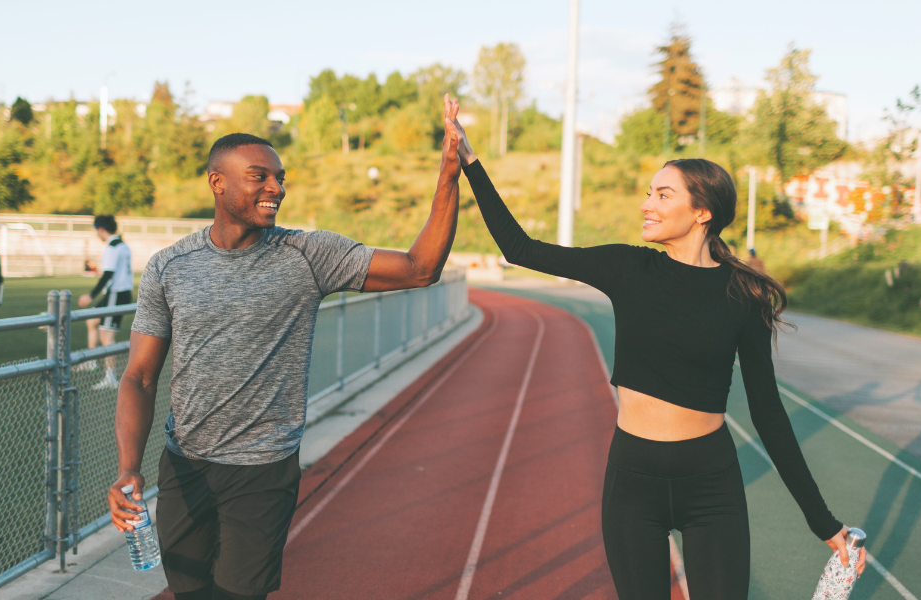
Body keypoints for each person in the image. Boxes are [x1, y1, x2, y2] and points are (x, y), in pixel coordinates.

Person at [446, 110, 862, 598]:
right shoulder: (628, 267)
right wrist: (470, 159)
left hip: (712, 483)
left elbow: (768, 412)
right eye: (648, 192)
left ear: (702, 211)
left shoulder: (743, 295)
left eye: (663, 195)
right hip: (633, 481)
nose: (647, 204)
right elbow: (520, 248)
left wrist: (823, 522)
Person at [106, 95, 464, 600]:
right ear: (218, 182)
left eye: (280, 178)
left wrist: (448, 174)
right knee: (189, 593)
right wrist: (127, 468)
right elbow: (139, 376)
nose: (277, 187)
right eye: (260, 176)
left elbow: (420, 267)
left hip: (263, 470)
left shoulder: (308, 255)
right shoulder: (170, 266)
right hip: (183, 465)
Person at [78, 215, 134, 389]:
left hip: (115, 295)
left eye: (97, 231)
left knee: (107, 335)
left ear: (101, 229)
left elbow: (108, 274)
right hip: (121, 293)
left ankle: (110, 377)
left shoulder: (112, 247)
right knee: (92, 320)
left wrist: (90, 295)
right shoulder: (123, 244)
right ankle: (92, 361)